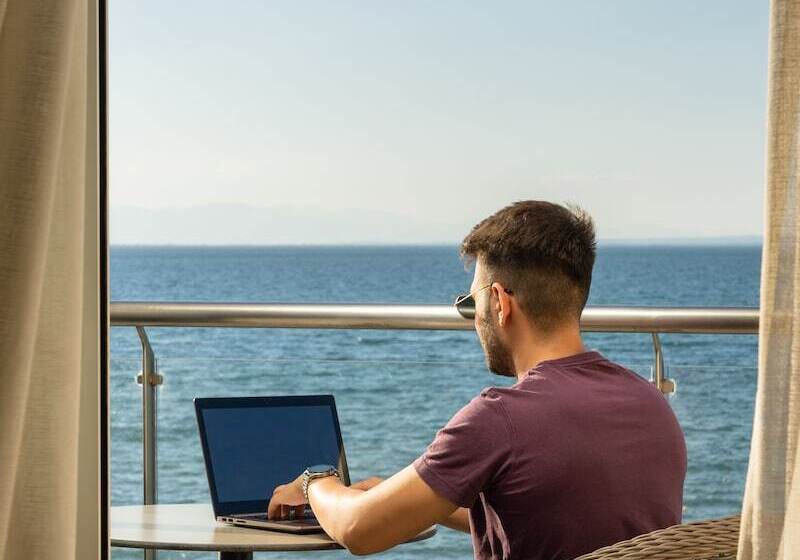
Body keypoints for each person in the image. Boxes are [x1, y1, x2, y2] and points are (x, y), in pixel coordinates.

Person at [267, 200, 687, 559]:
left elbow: (359, 529)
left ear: (501, 302)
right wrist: (414, 498)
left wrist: (315, 483)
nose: (474, 319)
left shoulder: (500, 418)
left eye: (472, 303)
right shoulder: (650, 403)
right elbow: (554, 510)